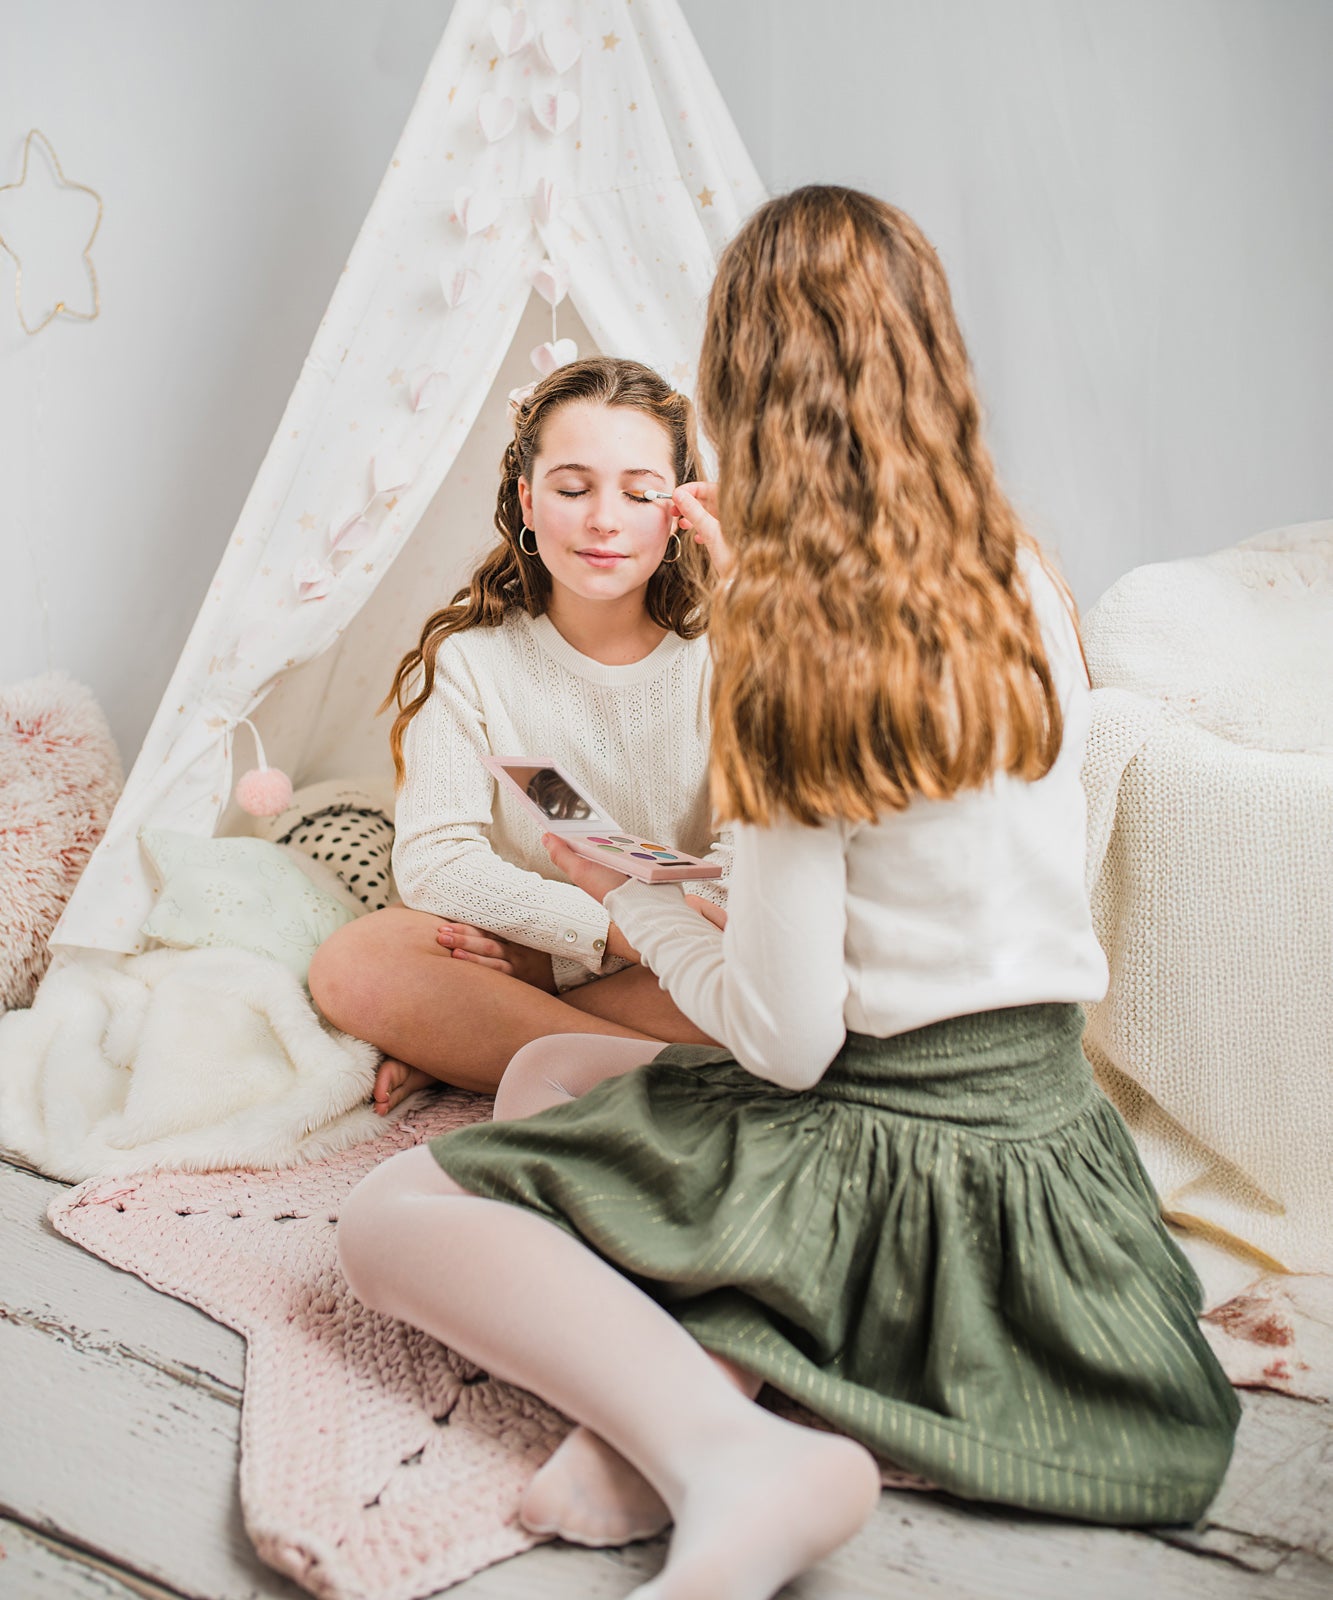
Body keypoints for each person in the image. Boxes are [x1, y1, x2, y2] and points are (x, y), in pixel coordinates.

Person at [336, 187, 1240, 1600]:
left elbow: (785, 1045)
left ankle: (717, 1451)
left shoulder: (782, 648)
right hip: (1045, 1131)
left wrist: (624, 895)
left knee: (383, 1221)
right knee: (554, 1075)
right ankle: (671, 1410)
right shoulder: (1019, 570)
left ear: (736, 393)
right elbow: (922, 862)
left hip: (886, 1135)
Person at [308, 358, 731, 1110]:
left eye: (637, 492)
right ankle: (683, 1083)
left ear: (679, 512)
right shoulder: (471, 663)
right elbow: (437, 863)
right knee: (357, 961)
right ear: (528, 503)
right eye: (573, 489)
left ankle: (483, 1056)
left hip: (685, 955)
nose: (604, 518)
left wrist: (635, 943)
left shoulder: (729, 657)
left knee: (805, 961)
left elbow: (755, 859)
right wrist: (588, 939)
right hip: (533, 943)